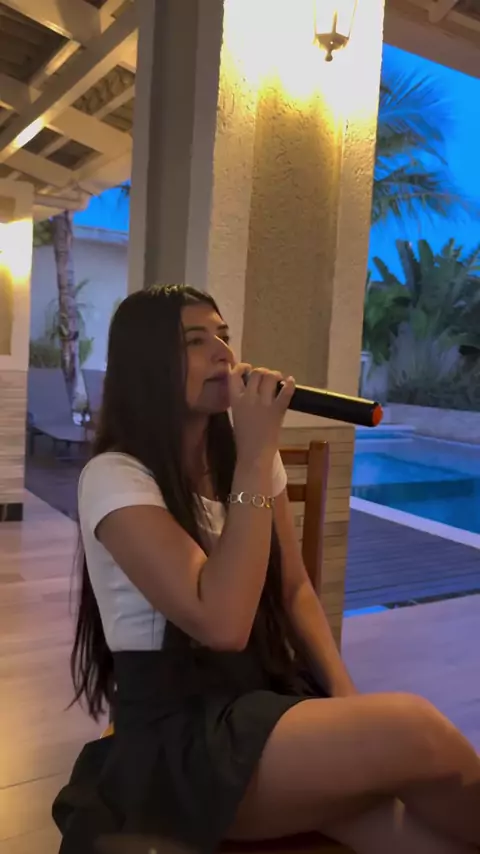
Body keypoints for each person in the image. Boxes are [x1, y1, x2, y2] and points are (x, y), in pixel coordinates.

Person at [53, 284, 480, 854]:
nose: (224, 353)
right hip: (183, 738)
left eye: (224, 336)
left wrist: (344, 697)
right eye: (196, 341)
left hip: (265, 696)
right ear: (147, 364)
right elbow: (223, 624)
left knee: (423, 835)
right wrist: (255, 456)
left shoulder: (246, 457)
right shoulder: (116, 477)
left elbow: (295, 587)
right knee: (415, 729)